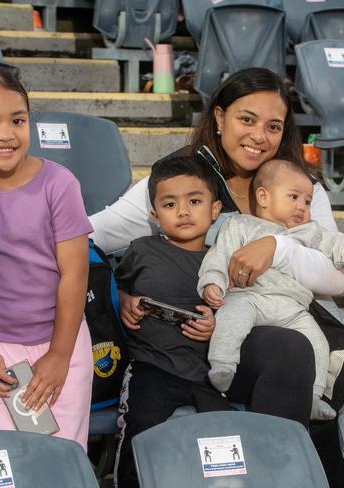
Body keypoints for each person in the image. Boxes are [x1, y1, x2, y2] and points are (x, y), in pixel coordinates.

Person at [91, 67, 344, 429]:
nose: (259, 136)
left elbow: (337, 280)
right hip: (209, 341)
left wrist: (275, 248)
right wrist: (120, 295)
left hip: (293, 316)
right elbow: (92, 235)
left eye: (273, 127)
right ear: (219, 116)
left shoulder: (300, 188)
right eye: (247, 119)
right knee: (288, 349)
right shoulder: (182, 183)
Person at [0, 67, 93, 450]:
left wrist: (59, 356)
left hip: (61, 342)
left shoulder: (59, 184)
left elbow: (74, 275)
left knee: (59, 459)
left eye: (17, 120)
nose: (6, 134)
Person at [198, 159, 344, 420]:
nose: (301, 207)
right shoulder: (240, 225)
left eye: (307, 201)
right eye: (294, 197)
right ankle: (223, 365)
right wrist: (213, 282)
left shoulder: (308, 232)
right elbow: (218, 256)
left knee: (317, 342)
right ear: (263, 196)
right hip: (250, 296)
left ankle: (312, 397)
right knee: (231, 317)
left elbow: (334, 243)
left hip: (292, 308)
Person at [113, 155, 230, 488]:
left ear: (215, 208)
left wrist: (214, 323)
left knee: (223, 435)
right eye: (169, 204)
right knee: (140, 425)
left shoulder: (222, 258)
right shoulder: (142, 250)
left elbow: (240, 309)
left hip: (206, 372)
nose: (183, 211)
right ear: (154, 215)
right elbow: (116, 285)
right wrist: (126, 302)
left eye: (195, 201)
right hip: (152, 366)